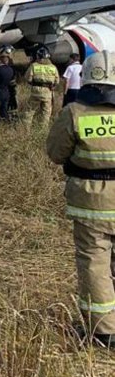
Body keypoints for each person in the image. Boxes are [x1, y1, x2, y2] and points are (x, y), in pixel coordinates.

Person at [46, 51, 115, 347]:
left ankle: (104, 330)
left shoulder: (74, 113)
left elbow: (55, 154)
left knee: (95, 262)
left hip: (91, 203)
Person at [23, 47, 59, 130]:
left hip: (35, 90)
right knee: (46, 112)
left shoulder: (34, 66)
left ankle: (26, 129)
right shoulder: (53, 67)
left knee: (30, 111)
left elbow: (27, 78)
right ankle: (43, 129)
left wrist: (32, 83)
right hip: (47, 92)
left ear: (38, 56)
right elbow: (57, 81)